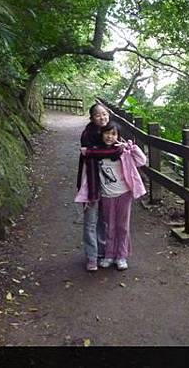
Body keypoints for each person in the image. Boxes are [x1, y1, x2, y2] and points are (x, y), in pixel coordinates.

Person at [95, 121, 147, 270]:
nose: (110, 136)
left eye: (113, 134)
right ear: (102, 134)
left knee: (122, 226)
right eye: (107, 133)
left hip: (124, 194)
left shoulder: (123, 152)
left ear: (118, 136)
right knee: (109, 226)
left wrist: (131, 148)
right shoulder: (97, 153)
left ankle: (121, 256)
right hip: (106, 195)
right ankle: (109, 255)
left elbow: (142, 161)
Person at [75, 103, 119, 272]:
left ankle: (102, 252)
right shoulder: (88, 134)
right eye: (98, 115)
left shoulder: (111, 132)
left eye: (105, 114)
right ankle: (92, 257)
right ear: (92, 118)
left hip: (108, 185)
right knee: (90, 222)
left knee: (103, 220)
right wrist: (113, 151)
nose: (102, 117)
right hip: (90, 183)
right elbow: (92, 152)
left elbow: (120, 151)